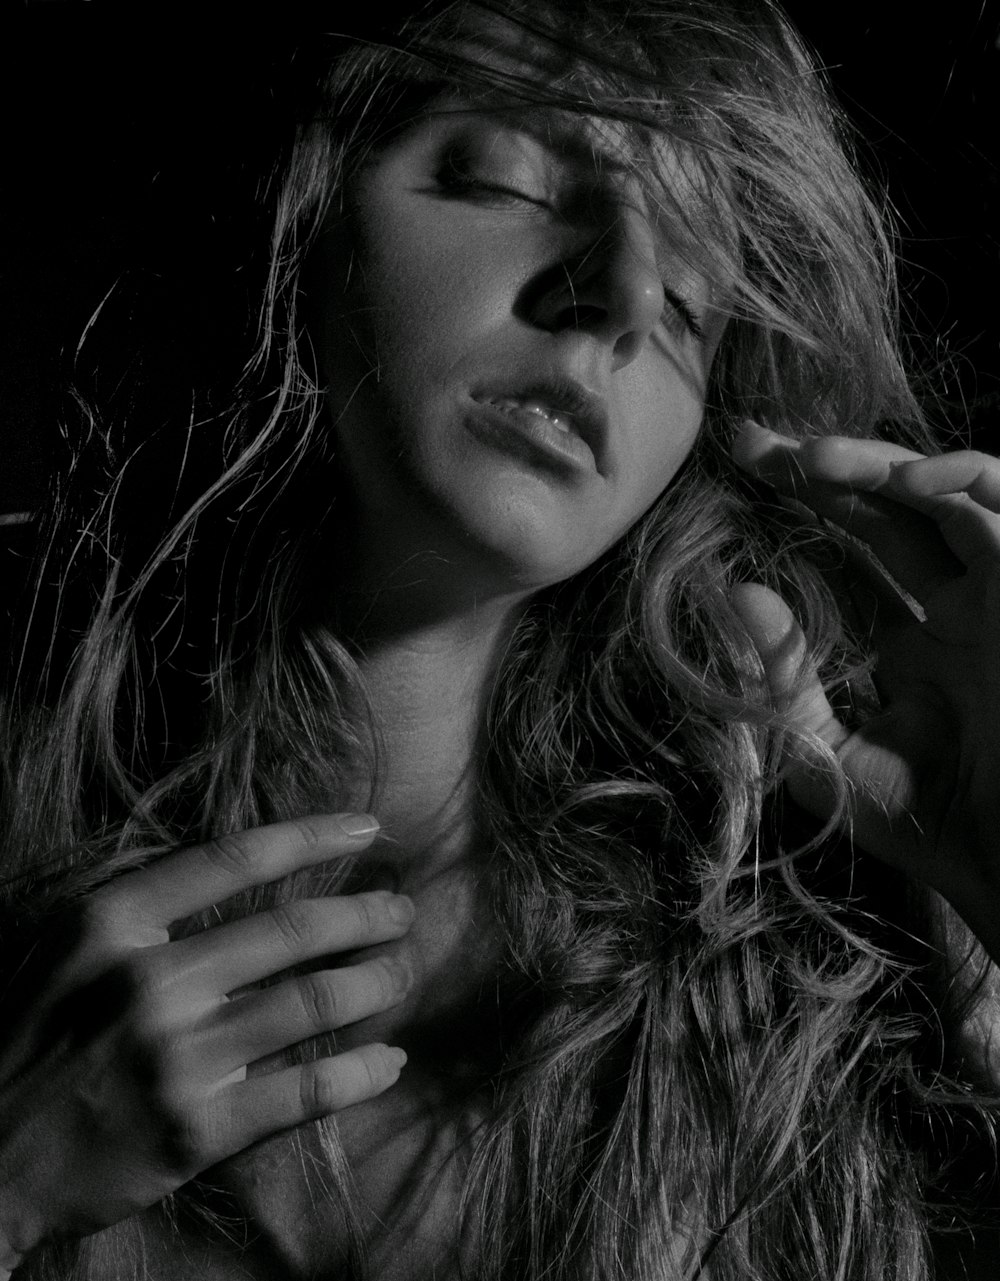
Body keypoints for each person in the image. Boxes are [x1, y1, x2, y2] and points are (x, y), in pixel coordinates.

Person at [1, 1, 999, 1277]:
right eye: (502, 179)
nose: (627, 295)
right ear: (281, 221)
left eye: (695, 302)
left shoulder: (795, 989)